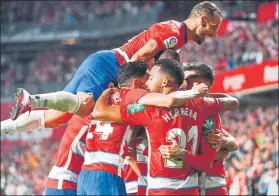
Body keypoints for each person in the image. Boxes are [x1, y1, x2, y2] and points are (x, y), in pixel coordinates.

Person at [8, 1, 222, 129]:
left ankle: (7, 126)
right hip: (111, 65)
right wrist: (124, 87)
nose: (215, 33)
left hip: (106, 62)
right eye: (214, 26)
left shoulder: (178, 34)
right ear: (202, 20)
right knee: (84, 108)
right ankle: (32, 99)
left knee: (56, 119)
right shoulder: (175, 33)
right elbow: (141, 54)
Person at [92, 59, 239, 195]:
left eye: (151, 78)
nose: (147, 83)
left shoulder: (148, 110)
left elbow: (100, 112)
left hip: (161, 189)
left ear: (164, 82)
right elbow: (232, 102)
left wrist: (107, 92)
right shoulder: (203, 105)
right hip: (192, 189)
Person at [159, 62, 239, 195]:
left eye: (187, 80)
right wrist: (226, 148)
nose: (182, 84)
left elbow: (210, 156)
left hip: (208, 185)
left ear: (202, 84)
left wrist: (225, 144)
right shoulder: (183, 109)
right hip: (189, 184)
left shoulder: (207, 113)